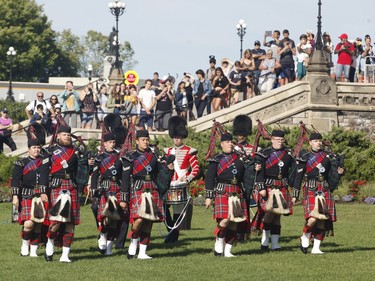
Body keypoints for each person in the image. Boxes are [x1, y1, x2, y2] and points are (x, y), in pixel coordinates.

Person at [121, 130, 174, 259]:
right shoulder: (130, 156)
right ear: (137, 141)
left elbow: (161, 173)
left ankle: (143, 252)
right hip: (138, 189)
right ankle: (133, 242)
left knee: (149, 220)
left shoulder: (154, 155)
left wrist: (169, 169)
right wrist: (124, 198)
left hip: (152, 188)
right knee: (139, 219)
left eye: (147, 139)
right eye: (143, 139)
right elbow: (126, 178)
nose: (145, 142)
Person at [293, 132, 344, 254]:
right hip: (311, 189)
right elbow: (298, 177)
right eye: (316, 141)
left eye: (320, 141)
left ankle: (316, 248)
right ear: (310, 143)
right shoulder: (305, 157)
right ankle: (305, 235)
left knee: (322, 219)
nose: (318, 143)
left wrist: (340, 173)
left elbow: (333, 173)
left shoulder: (328, 156)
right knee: (312, 218)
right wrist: (295, 195)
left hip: (324, 188)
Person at [43, 125, 84, 262]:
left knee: (70, 223)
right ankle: (50, 242)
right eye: (64, 134)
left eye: (68, 135)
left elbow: (81, 170)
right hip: (57, 186)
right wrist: (43, 190)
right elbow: (43, 172)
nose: (67, 137)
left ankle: (65, 255)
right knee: (56, 221)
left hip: (71, 186)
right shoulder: (49, 151)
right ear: (58, 136)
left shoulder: (75, 151)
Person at [204, 133, 250, 257]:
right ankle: (219, 241)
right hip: (222, 190)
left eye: (231, 142)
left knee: (235, 221)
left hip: (236, 190)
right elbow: (209, 178)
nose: (230, 144)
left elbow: (247, 175)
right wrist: (208, 196)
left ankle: (228, 250)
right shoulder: (216, 159)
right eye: (227, 142)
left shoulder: (240, 158)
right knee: (225, 220)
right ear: (222, 144)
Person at [252, 130, 294, 251]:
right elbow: (259, 171)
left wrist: (290, 184)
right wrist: (261, 187)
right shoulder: (264, 153)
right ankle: (265, 241)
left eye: (281, 140)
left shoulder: (287, 154)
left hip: (282, 186)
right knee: (269, 213)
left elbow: (293, 170)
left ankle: (275, 244)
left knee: (277, 215)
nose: (279, 142)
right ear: (271, 140)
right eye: (277, 139)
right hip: (268, 185)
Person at [90, 132, 129, 255]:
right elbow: (95, 175)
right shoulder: (99, 158)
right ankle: (102, 235)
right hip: (104, 189)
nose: (112, 144)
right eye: (109, 142)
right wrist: (94, 189)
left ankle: (109, 248)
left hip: (116, 187)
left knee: (114, 219)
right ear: (104, 144)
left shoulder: (120, 157)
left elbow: (124, 176)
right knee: (105, 217)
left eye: (113, 142)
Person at [163, 116, 200, 243]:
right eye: (174, 137)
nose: (176, 140)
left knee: (177, 212)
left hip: (181, 184)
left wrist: (187, 178)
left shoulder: (190, 151)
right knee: (162, 207)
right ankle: (171, 232)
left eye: (178, 137)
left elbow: (195, 169)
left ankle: (173, 235)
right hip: (168, 184)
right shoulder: (168, 151)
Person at [11, 137, 49, 257]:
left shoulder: (44, 162)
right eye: (34, 148)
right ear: (28, 150)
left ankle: (33, 250)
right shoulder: (21, 163)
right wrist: (15, 196)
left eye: (38, 147)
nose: (37, 150)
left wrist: (44, 193)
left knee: (38, 223)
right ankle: (24, 244)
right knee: (28, 224)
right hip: (26, 195)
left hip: (40, 195)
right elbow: (15, 181)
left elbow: (45, 179)